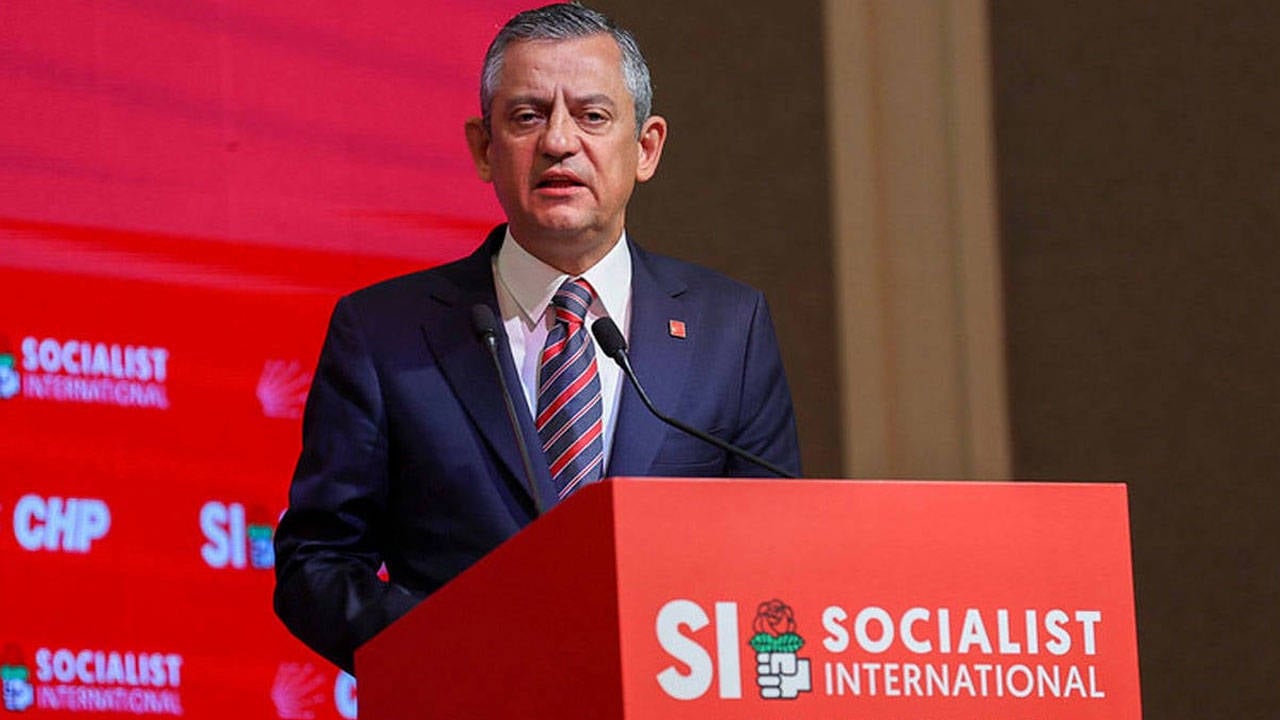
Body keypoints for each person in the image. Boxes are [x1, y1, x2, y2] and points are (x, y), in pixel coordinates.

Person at [273, 2, 800, 674]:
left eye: (592, 116)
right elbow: (317, 564)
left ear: (646, 148)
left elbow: (777, 553)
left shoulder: (729, 328)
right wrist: (456, 650)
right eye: (527, 116)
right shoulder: (384, 333)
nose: (558, 141)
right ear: (483, 148)